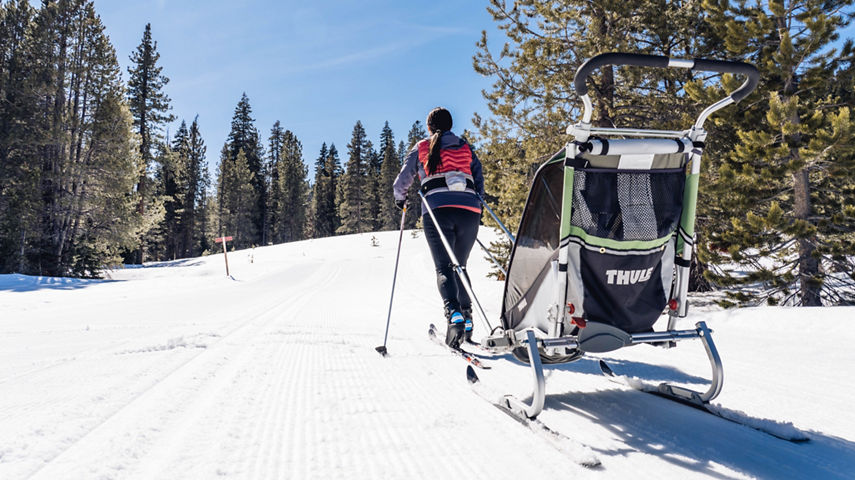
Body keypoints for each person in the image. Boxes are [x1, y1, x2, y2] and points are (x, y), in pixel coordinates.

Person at [392, 107, 485, 349]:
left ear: (430, 127)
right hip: (469, 211)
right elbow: (478, 175)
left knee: (444, 267)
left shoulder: (422, 146)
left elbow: (403, 179)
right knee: (460, 267)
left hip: (437, 210)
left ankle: (454, 314)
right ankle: (467, 321)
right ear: (451, 125)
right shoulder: (465, 146)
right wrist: (478, 203)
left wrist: (400, 198)